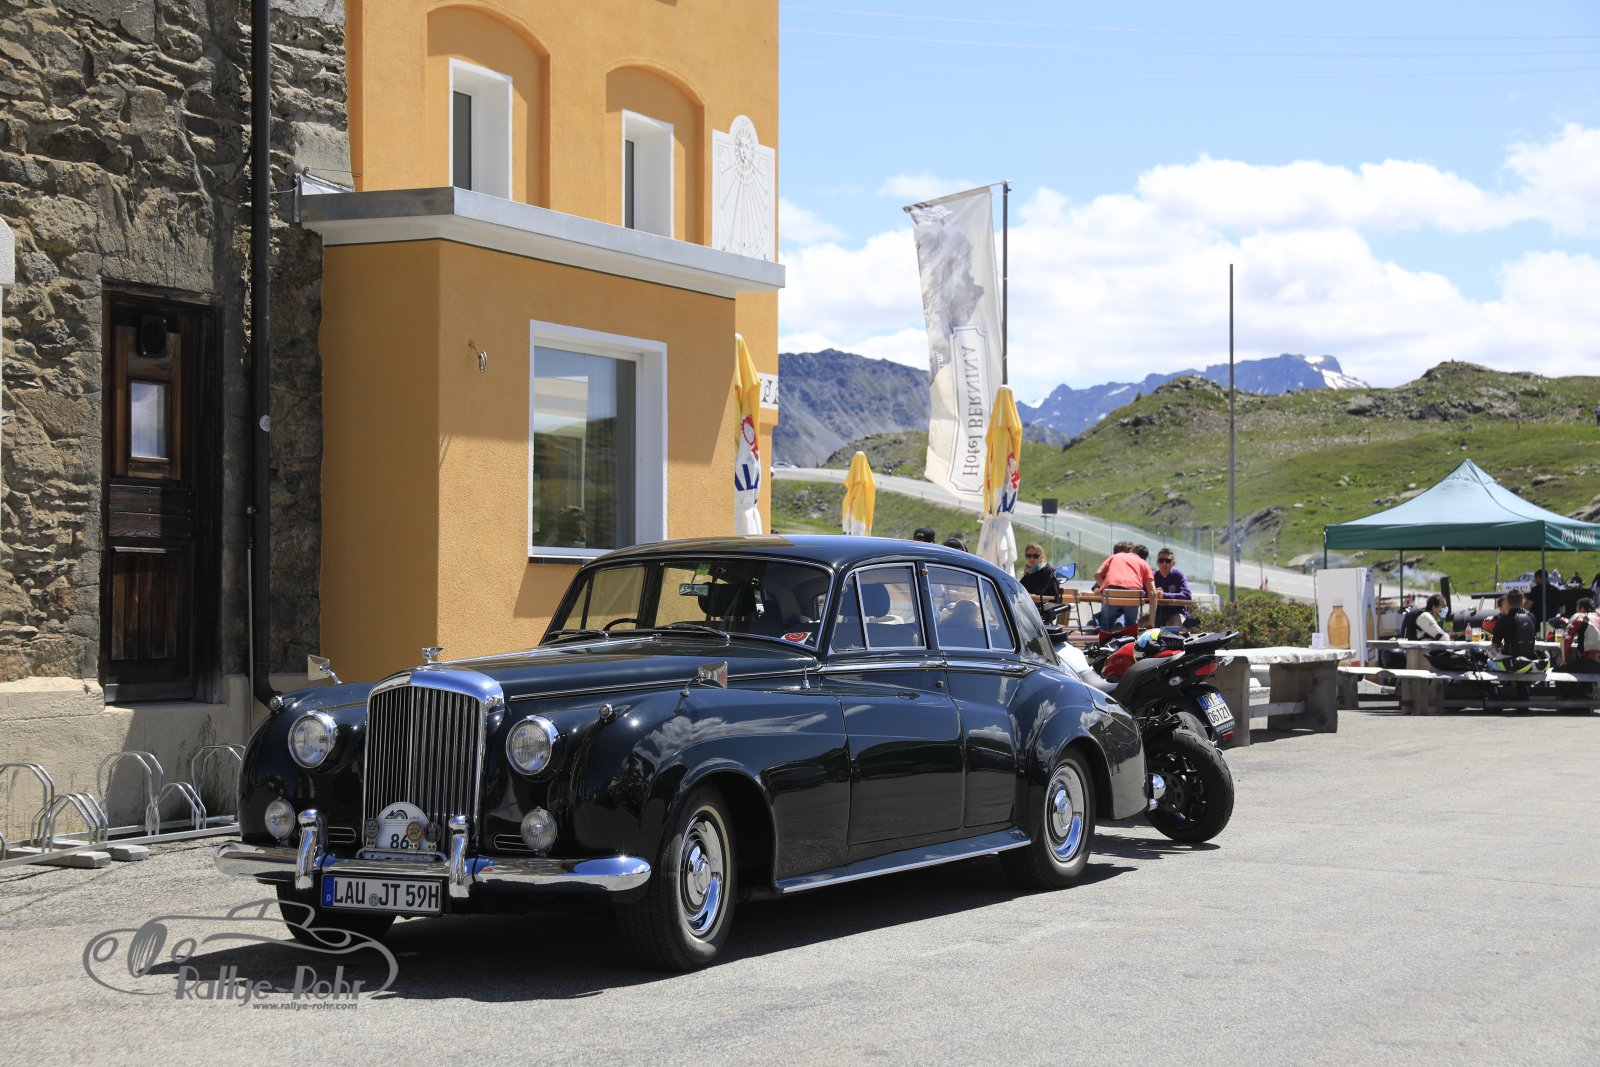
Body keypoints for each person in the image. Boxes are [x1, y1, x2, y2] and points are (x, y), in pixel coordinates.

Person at [1093, 541, 1157, 631]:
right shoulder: (1144, 564)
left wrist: (1104, 588)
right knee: (1130, 624)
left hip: (1112, 592)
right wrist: (1151, 622)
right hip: (1133, 593)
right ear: (1144, 558)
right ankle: (1130, 637)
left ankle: (1105, 638)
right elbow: (1153, 593)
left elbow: (1097, 574)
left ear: (1131, 551)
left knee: (1106, 623)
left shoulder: (1116, 556)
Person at [1491, 589, 1538, 660]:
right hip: (1529, 657)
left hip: (1509, 658)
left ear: (1508, 602)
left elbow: (1495, 643)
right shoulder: (1531, 617)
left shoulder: (1503, 619)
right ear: (1522, 602)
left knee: (1490, 660)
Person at [1152, 548, 1192, 627]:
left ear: (1173, 563)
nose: (1164, 563)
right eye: (1161, 560)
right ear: (1157, 563)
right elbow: (1143, 592)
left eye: (1167, 561)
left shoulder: (1178, 575)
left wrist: (1164, 595)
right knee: (1141, 623)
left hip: (1176, 613)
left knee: (1171, 624)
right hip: (1157, 615)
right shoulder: (1152, 576)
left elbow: (1187, 595)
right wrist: (1154, 593)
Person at [1019, 542, 1063, 615]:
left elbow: (1054, 599)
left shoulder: (1050, 573)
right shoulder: (1026, 576)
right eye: (1028, 556)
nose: (1031, 559)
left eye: (1035, 556)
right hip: (1028, 613)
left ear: (1041, 557)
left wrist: (1034, 598)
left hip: (1045, 615)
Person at [1561, 597, 1600, 675]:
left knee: (1557, 670)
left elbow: (1566, 639)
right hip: (1593, 663)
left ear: (1581, 609)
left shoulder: (1579, 616)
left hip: (1590, 662)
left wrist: (1566, 662)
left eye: (1577, 609)